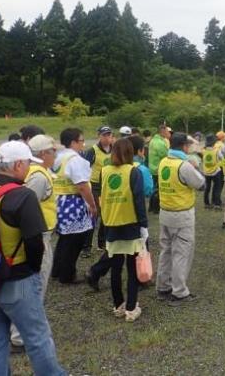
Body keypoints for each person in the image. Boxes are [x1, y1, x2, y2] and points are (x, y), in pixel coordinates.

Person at [0, 141, 65, 375]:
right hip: (17, 278)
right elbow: (34, 242)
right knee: (36, 338)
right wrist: (32, 271)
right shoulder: (23, 195)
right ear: (17, 164)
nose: (29, 168)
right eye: (28, 163)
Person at [10, 134, 59, 352]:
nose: (55, 154)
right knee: (35, 286)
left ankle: (23, 331)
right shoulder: (38, 176)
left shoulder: (37, 172)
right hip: (38, 236)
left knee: (32, 286)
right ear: (43, 154)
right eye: (52, 151)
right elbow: (26, 207)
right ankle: (22, 336)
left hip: (39, 234)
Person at [100, 138, 148, 322]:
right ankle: (131, 307)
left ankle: (118, 305)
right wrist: (144, 225)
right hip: (130, 224)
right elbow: (138, 201)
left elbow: (102, 196)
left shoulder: (104, 171)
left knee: (115, 267)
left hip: (111, 224)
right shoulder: (133, 171)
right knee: (132, 266)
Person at [156, 133, 205, 305]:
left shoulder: (163, 162)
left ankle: (163, 286)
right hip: (181, 215)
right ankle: (179, 292)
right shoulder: (184, 165)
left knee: (166, 251)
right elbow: (201, 184)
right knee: (181, 254)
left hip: (165, 213)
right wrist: (196, 166)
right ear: (184, 146)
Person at [51, 128, 97, 284]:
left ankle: (57, 270)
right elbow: (82, 186)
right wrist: (92, 205)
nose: (83, 144)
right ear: (73, 142)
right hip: (73, 203)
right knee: (75, 241)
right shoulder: (75, 160)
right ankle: (67, 274)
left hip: (58, 201)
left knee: (64, 238)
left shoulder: (57, 158)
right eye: (81, 141)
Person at [82, 126, 114, 256]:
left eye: (109, 135)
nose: (107, 138)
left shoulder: (114, 149)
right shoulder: (92, 151)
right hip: (94, 185)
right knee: (94, 215)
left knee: (107, 215)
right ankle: (86, 247)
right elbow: (85, 167)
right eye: (104, 135)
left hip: (108, 185)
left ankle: (102, 243)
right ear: (99, 136)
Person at [148, 124, 171, 213]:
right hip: (158, 168)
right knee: (158, 189)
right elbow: (166, 154)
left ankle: (151, 207)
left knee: (154, 188)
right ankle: (156, 208)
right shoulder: (160, 143)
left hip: (152, 167)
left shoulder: (153, 140)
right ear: (163, 132)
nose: (168, 133)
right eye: (167, 131)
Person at [202, 134, 224, 209]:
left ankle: (206, 203)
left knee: (207, 188)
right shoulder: (216, 150)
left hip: (206, 172)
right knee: (217, 187)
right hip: (215, 171)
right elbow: (222, 158)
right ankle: (216, 203)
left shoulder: (203, 150)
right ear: (213, 142)